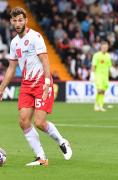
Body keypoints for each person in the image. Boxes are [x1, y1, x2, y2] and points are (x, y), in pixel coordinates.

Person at [0, 7, 72, 166]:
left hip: (41, 83)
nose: (18, 23)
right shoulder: (14, 42)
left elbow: (45, 60)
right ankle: (41, 157)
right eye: (15, 20)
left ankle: (61, 141)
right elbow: (11, 68)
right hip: (26, 85)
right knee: (23, 121)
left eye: (20, 20)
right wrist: (2, 87)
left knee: (39, 122)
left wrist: (47, 82)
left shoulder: (35, 37)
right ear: (11, 22)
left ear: (26, 21)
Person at [91, 41, 112, 111]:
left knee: (103, 91)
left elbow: (109, 66)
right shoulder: (96, 55)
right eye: (104, 47)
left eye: (106, 47)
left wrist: (110, 74)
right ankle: (96, 104)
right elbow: (93, 66)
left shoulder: (108, 56)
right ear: (101, 47)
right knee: (99, 90)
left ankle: (101, 105)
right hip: (98, 75)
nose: (105, 48)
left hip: (105, 76)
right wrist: (92, 75)